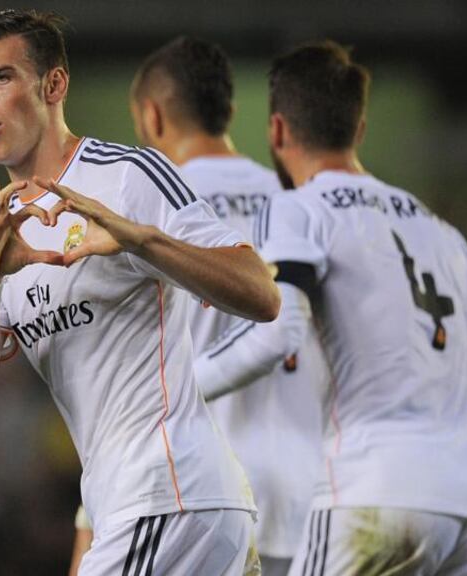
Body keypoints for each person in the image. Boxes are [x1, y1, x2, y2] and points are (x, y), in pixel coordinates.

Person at [0, 8, 280, 576]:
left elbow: (260, 293)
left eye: (0, 78)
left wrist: (139, 241)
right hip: (129, 503)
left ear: (53, 85)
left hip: (170, 495)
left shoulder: (127, 176)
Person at [256, 41, 467, 575]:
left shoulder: (296, 211)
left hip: (376, 490)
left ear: (278, 131)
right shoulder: (448, 237)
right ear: (359, 130)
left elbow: (280, 324)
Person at [130, 36, 329, 576]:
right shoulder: (298, 202)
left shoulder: (146, 212)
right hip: (310, 492)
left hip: (199, 496)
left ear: (150, 116)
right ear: (230, 113)